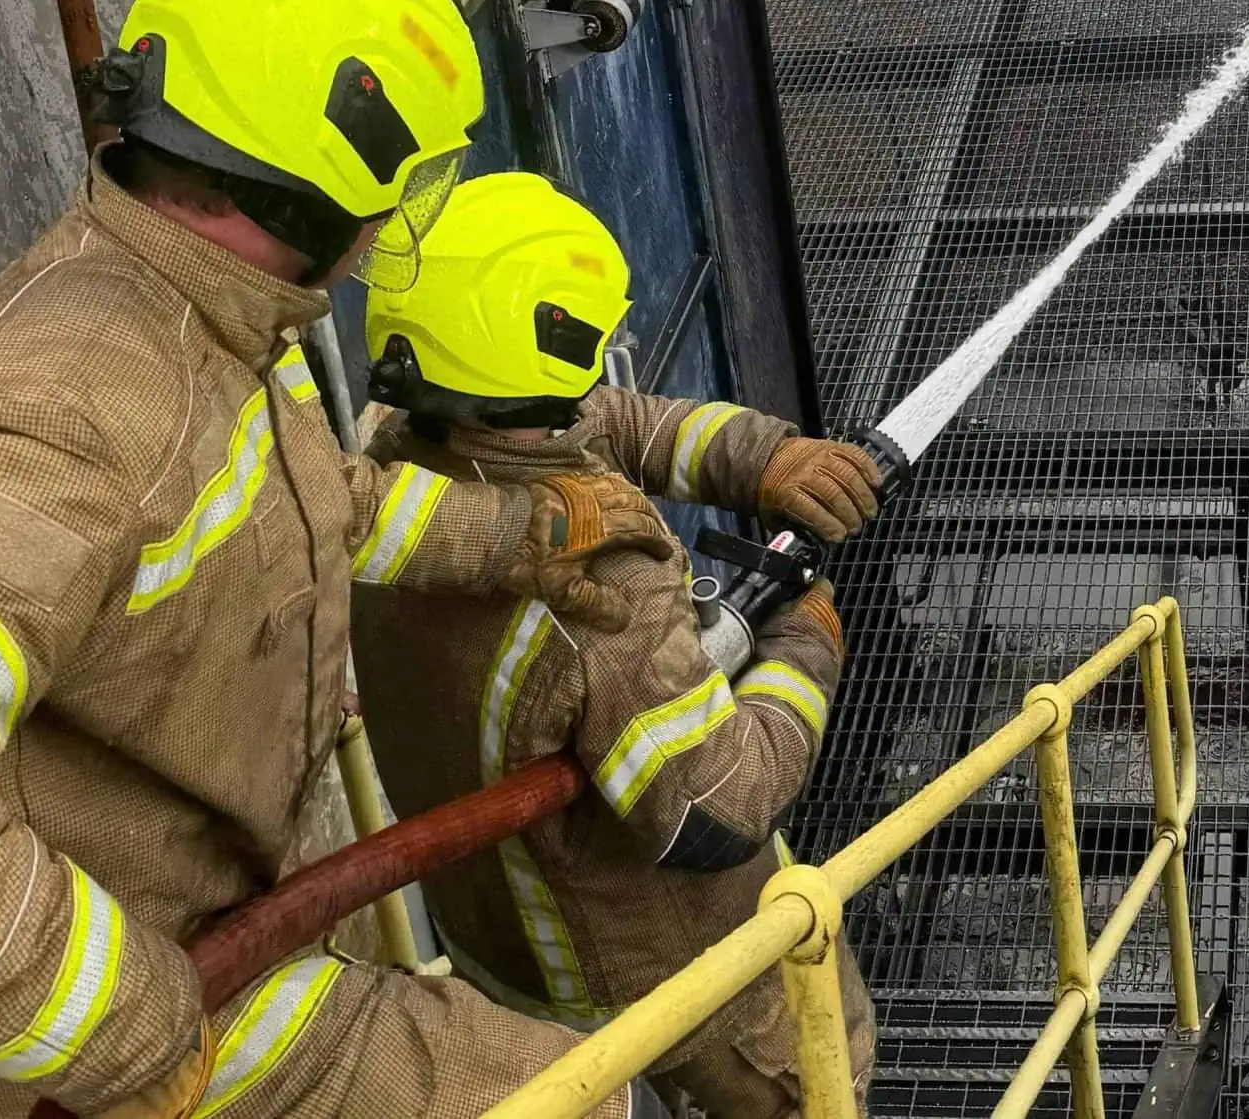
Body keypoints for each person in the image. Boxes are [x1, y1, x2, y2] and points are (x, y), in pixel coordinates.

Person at [0, 0, 662, 1118]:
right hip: (100, 1039)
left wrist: (534, 534)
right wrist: (130, 1029)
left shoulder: (188, 320)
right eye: (402, 188)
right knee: (589, 1098)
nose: (387, 231)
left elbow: (320, 500)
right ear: (327, 185)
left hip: (208, 924)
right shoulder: (85, 401)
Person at [351, 171, 887, 1116]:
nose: (602, 369)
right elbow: (715, 811)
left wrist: (769, 459)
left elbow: (621, 423)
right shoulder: (597, 592)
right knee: (816, 1077)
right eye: (590, 347)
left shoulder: (402, 456)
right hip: (661, 971)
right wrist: (807, 638)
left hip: (492, 935)